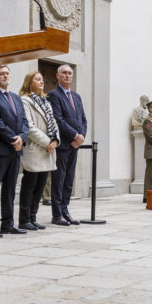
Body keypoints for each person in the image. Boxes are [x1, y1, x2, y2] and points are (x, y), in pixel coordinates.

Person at [0, 65, 28, 236]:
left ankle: (8, 223)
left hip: (15, 150)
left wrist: (22, 137)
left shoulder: (16, 97)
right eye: (0, 74)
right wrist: (14, 139)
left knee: (10, 189)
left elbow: (24, 121)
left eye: (6, 73)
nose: (5, 76)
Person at [19, 70, 58, 229]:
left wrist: (55, 140)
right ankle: (24, 219)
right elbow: (29, 126)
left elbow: (54, 124)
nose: (41, 81)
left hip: (48, 150)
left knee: (40, 185)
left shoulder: (45, 101)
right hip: (36, 148)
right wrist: (47, 142)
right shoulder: (25, 100)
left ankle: (33, 217)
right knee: (29, 186)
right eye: (37, 79)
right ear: (29, 82)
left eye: (42, 79)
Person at [47, 64, 86, 224]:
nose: (67, 75)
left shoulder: (76, 96)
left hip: (75, 145)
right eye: (64, 73)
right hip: (63, 144)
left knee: (69, 179)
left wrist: (82, 136)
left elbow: (83, 119)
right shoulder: (53, 95)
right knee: (59, 180)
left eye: (70, 73)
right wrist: (74, 135)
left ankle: (65, 210)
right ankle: (57, 215)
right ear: (57, 76)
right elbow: (58, 119)